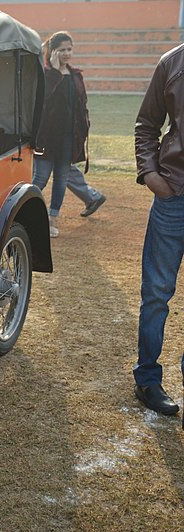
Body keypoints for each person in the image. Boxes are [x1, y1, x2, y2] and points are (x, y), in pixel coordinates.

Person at [133, 41, 184, 417]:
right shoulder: (172, 61)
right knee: (156, 296)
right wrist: (151, 173)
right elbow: (147, 123)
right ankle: (148, 379)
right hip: (173, 196)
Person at [31, 32, 91, 237]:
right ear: (53, 51)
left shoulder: (76, 76)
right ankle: (26, 213)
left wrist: (84, 128)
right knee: (40, 177)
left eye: (69, 49)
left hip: (69, 137)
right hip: (47, 137)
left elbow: (82, 105)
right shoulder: (46, 74)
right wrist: (55, 71)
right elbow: (43, 99)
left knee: (62, 179)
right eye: (62, 50)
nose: (67, 53)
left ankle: (52, 218)